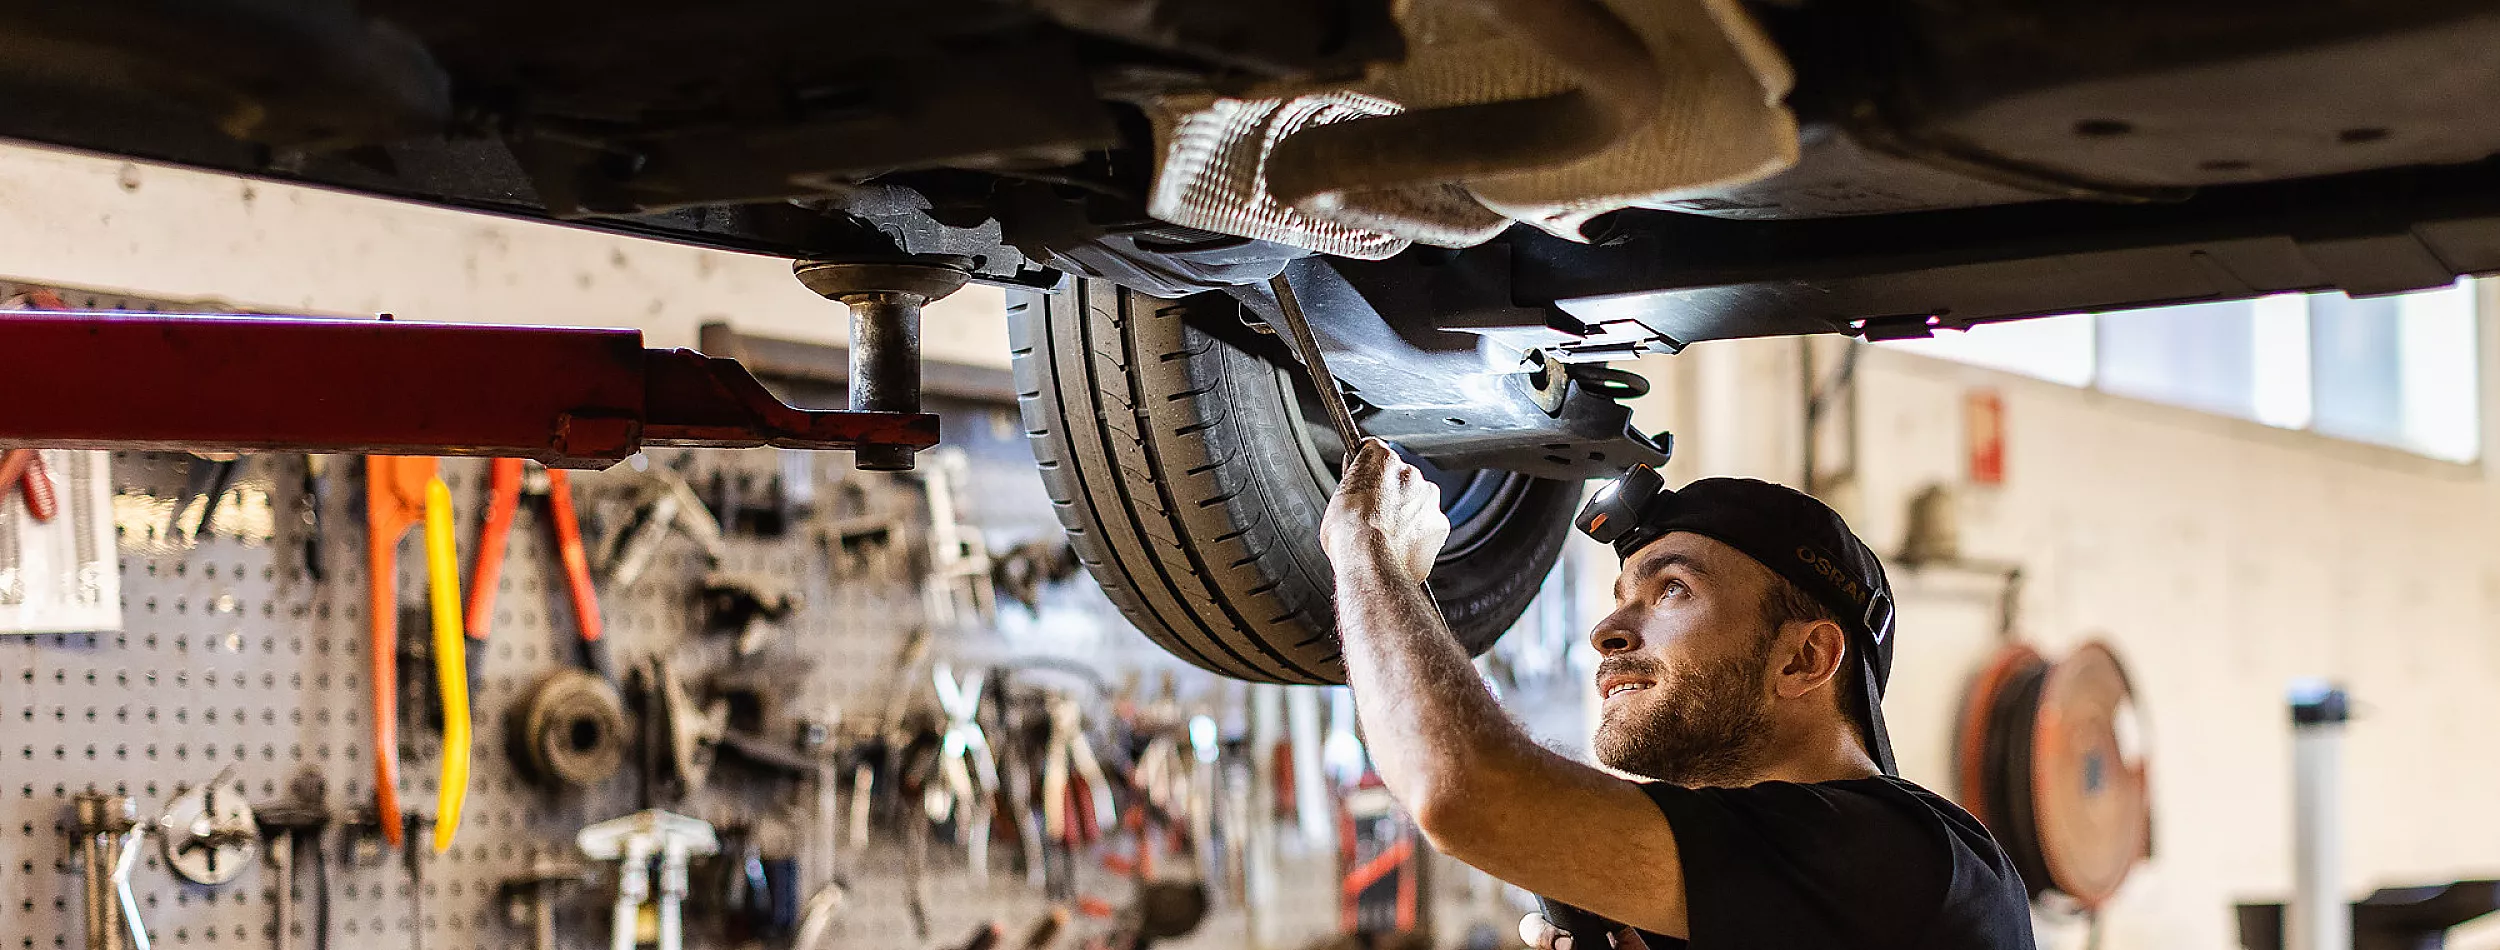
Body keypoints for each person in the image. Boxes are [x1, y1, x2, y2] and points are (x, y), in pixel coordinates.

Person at [1319, 440, 2035, 950]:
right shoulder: (1772, 900)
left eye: (1672, 589)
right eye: (1621, 596)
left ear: (1805, 658)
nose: (1607, 631)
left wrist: (1366, 547)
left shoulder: (1906, 856)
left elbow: (1463, 790)